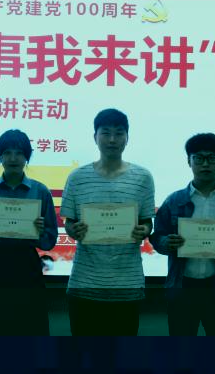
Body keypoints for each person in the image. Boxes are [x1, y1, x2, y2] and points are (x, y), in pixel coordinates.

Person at [61, 108, 155, 336]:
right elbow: (69, 223)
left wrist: (144, 230)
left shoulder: (143, 178)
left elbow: (147, 222)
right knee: (83, 355)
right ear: (95, 136)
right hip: (85, 284)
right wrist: (74, 229)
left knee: (122, 356)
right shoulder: (77, 178)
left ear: (127, 138)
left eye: (119, 133)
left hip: (127, 285)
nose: (112, 139)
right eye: (105, 133)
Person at [150, 133, 215, 336]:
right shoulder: (173, 201)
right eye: (199, 158)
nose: (205, 164)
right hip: (183, 287)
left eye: (212, 158)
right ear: (189, 161)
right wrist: (167, 242)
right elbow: (157, 237)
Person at [0, 129, 58, 336]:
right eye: (7, 153)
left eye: (19, 153)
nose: (13, 158)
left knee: (28, 330)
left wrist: (39, 231)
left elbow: (49, 241)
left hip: (27, 266)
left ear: (27, 156)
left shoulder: (41, 191)